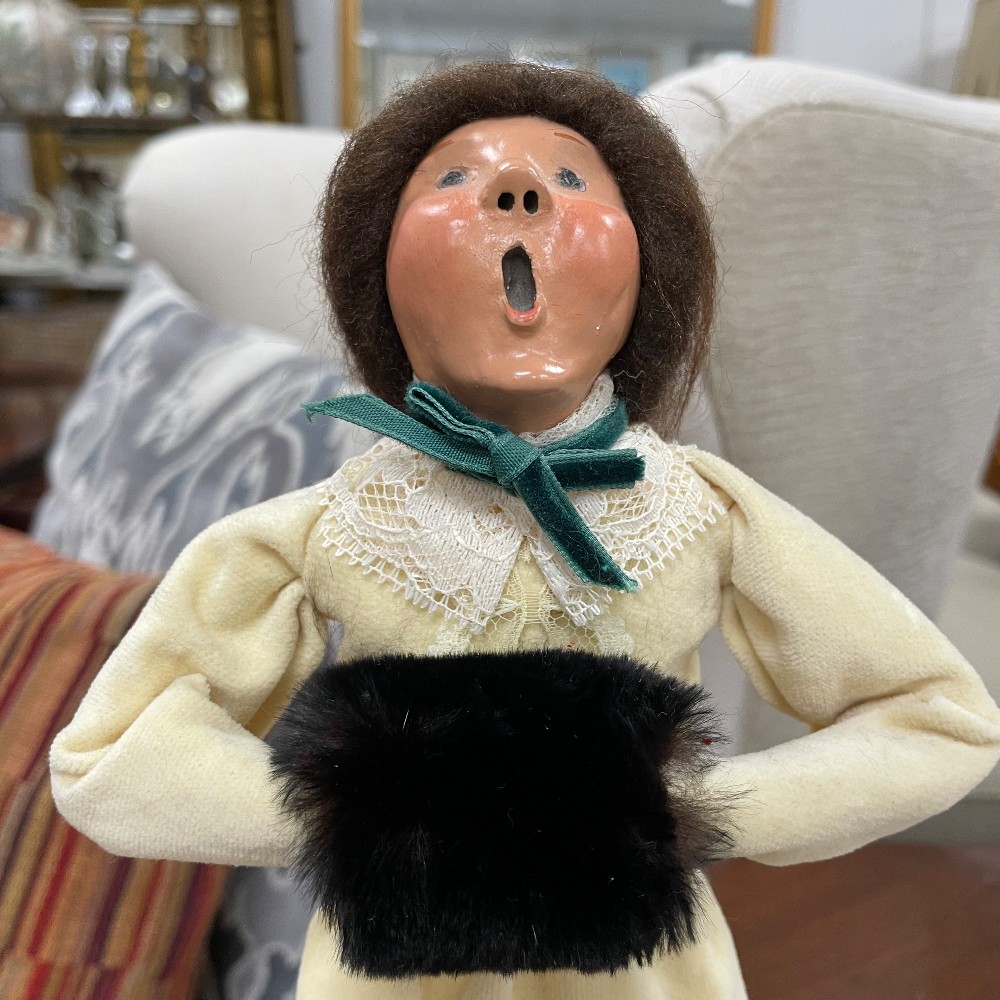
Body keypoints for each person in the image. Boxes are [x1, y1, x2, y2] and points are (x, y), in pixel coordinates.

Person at [52, 62, 1000, 1000]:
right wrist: (354, 816)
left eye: (572, 179)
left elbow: (939, 717)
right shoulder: (327, 532)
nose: (515, 190)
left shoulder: (701, 512)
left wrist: (696, 810)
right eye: (453, 178)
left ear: (650, 257)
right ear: (377, 262)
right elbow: (110, 756)